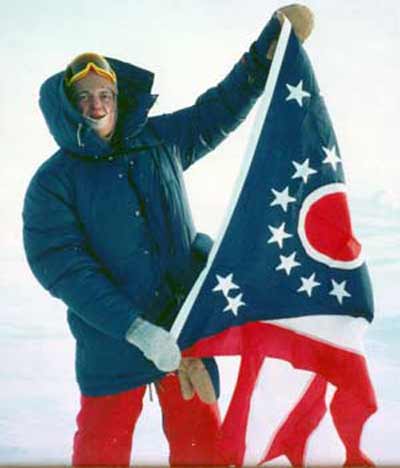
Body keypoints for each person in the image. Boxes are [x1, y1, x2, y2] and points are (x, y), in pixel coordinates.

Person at [22, 4, 313, 466]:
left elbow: (218, 109)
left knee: (203, 450)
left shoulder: (161, 142)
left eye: (105, 94)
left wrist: (264, 54)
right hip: (111, 344)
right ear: (68, 105)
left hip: (185, 334)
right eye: (84, 97)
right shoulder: (53, 182)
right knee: (102, 451)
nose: (96, 104)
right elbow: (64, 269)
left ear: (118, 99)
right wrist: (134, 329)